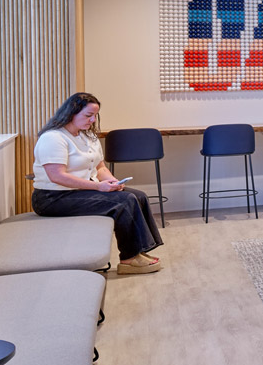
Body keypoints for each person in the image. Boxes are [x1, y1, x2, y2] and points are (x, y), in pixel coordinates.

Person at [32, 92, 165, 274]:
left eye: (95, 115)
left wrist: (112, 181)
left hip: (80, 191)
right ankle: (129, 258)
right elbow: (57, 176)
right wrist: (98, 186)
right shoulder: (53, 138)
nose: (93, 120)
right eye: (88, 115)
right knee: (124, 201)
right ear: (71, 113)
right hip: (53, 197)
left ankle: (139, 251)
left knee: (138, 196)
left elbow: (100, 167)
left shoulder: (88, 137)